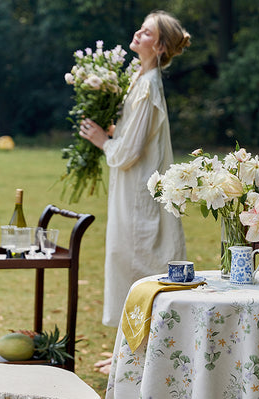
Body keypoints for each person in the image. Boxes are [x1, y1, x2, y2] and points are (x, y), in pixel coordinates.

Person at [79, 10, 191, 373]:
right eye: (140, 29)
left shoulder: (149, 86)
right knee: (124, 263)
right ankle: (126, 350)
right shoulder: (139, 79)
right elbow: (132, 137)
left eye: (146, 33)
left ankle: (137, 356)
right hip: (129, 191)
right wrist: (115, 132)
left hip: (140, 194)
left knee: (139, 267)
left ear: (158, 46)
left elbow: (128, 154)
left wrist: (101, 141)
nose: (138, 34)